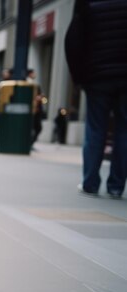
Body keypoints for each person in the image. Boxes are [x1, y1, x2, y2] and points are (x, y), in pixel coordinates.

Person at [65, 0, 127, 199]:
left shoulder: (88, 4)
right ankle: (116, 186)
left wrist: (78, 77)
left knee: (95, 128)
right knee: (124, 131)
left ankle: (90, 183)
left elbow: (73, 40)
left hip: (97, 77)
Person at [27, 69, 44, 149]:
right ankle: (28, 144)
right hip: (31, 110)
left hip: (37, 110)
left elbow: (40, 96)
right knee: (31, 127)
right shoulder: (28, 84)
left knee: (38, 128)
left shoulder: (36, 85)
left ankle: (30, 143)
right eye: (33, 73)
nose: (35, 75)